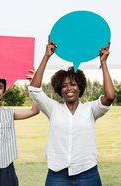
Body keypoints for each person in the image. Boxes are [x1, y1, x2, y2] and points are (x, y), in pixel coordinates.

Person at [26, 40, 115, 186]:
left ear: (80, 87)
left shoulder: (91, 109)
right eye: (64, 86)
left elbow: (110, 97)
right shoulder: (53, 108)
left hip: (88, 173)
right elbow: (34, 90)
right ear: (59, 90)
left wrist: (103, 63)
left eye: (73, 84)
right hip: (57, 175)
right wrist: (46, 56)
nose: (69, 88)